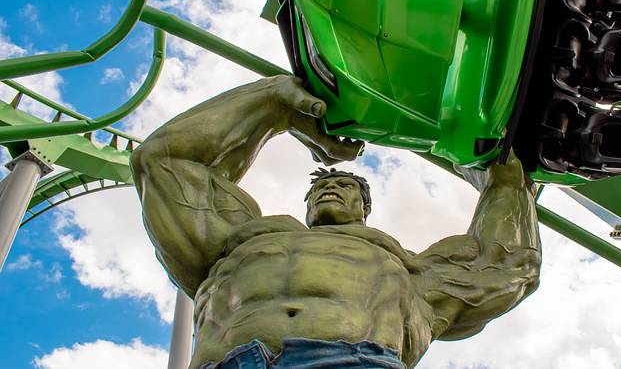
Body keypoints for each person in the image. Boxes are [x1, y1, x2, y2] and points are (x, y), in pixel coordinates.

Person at [130, 75, 541, 368]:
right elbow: (163, 162)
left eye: (346, 186)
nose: (330, 189)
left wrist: (502, 178)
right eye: (320, 188)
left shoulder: (408, 269)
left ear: (364, 206)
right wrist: (271, 103)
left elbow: (507, 265)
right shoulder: (240, 239)